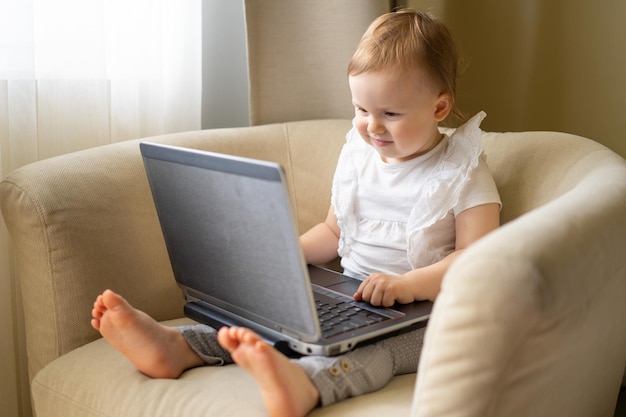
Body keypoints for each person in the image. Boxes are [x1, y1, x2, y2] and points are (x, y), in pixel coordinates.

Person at [91, 9, 501, 417]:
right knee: (277, 321)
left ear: (439, 108)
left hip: (426, 315)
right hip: (351, 295)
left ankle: (306, 385)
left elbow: (476, 258)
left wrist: (409, 284)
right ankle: (179, 347)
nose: (372, 127)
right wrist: (282, 257)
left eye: (390, 114)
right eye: (361, 110)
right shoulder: (360, 157)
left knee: (376, 353)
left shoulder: (461, 169)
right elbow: (333, 231)